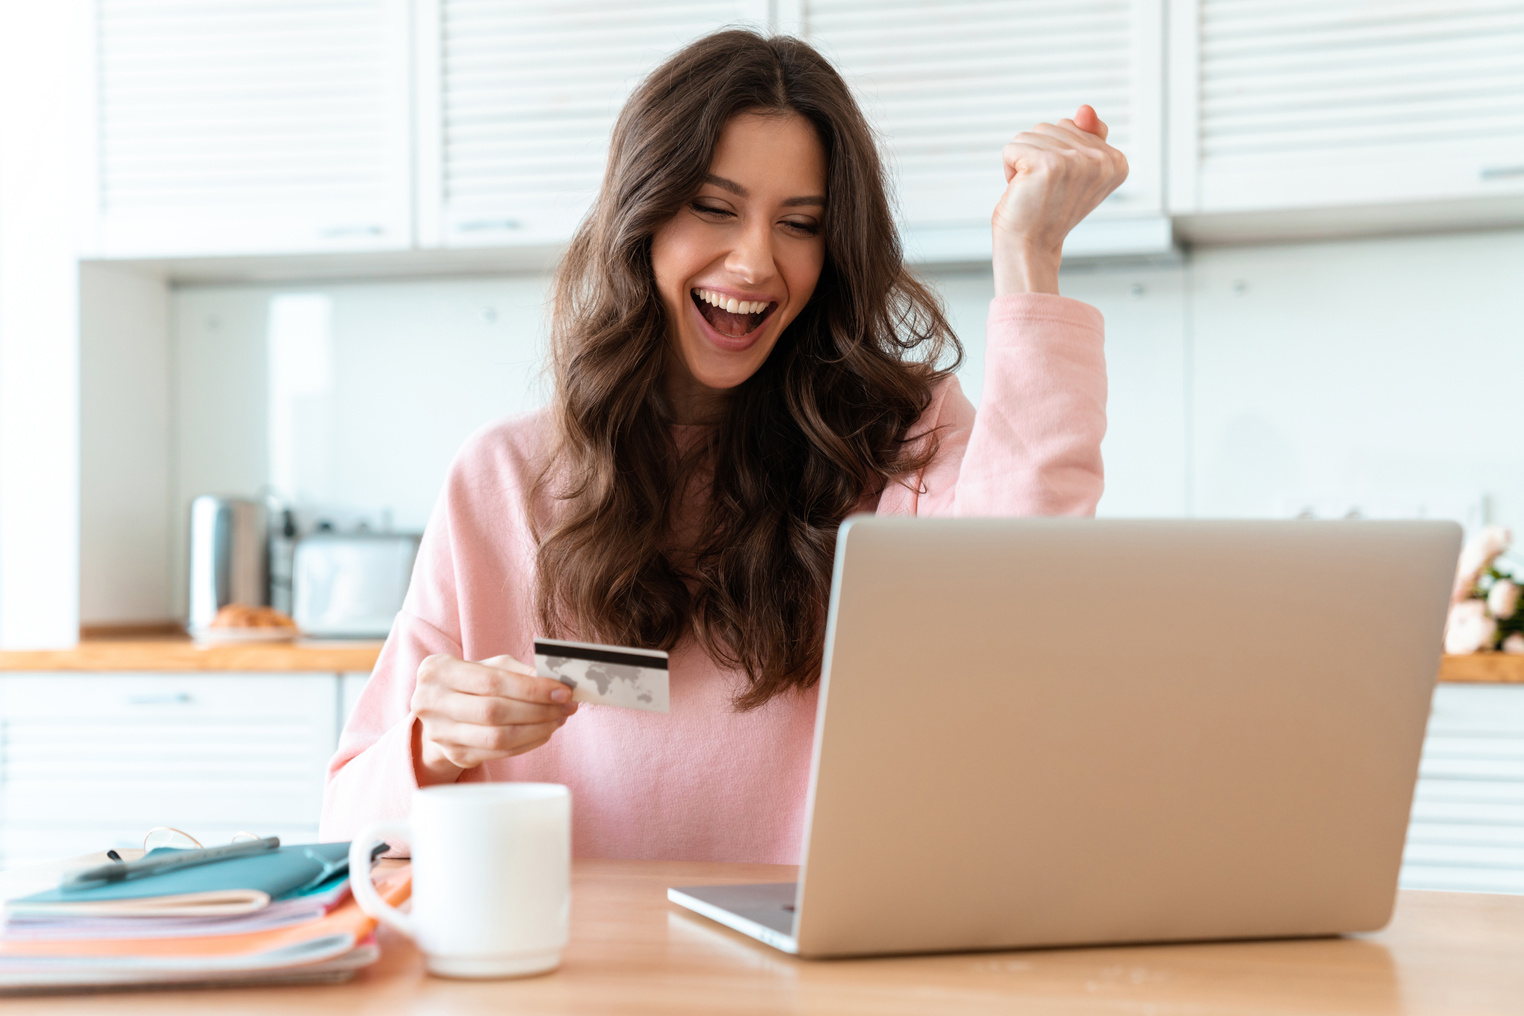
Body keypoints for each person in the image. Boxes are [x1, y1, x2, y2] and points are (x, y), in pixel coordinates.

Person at [321, 30, 1126, 863]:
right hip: (577, 977)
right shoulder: (503, 478)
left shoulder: (900, 442)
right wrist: (435, 746)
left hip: (817, 974)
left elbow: (1028, 592)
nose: (754, 262)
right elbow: (349, 825)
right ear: (642, 214)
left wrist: (1029, 257)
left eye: (800, 224)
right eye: (713, 207)